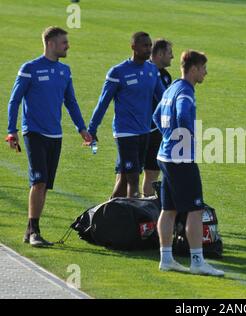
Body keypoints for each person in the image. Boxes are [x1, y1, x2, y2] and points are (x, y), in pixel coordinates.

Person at [6, 26, 92, 247]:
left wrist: (82, 129)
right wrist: (11, 130)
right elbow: (15, 100)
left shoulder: (65, 71)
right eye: (64, 42)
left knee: (44, 185)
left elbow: (70, 102)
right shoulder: (29, 69)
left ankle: (30, 230)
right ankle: (34, 230)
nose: (68, 46)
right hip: (33, 132)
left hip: (56, 134)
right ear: (51, 44)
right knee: (39, 180)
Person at [153, 50, 224, 276]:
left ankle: (166, 258)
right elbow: (183, 116)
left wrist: (168, 135)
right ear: (193, 69)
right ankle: (197, 261)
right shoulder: (185, 91)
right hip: (181, 158)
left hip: (164, 156)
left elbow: (156, 116)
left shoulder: (171, 87)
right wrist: (188, 136)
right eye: (203, 68)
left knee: (169, 208)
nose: (206, 72)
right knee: (195, 209)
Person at [87, 32, 165, 198]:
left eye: (150, 45)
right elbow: (103, 103)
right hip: (125, 132)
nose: (149, 49)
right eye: (145, 46)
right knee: (133, 179)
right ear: (133, 47)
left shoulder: (152, 70)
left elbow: (163, 99)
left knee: (123, 179)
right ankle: (134, 220)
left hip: (144, 131)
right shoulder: (118, 72)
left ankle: (109, 216)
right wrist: (92, 129)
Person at [142, 39, 174, 197]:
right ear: (160, 54)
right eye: (169, 53)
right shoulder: (143, 71)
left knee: (152, 173)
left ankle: (144, 212)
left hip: (157, 131)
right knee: (127, 176)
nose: (172, 57)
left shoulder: (166, 76)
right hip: (137, 129)